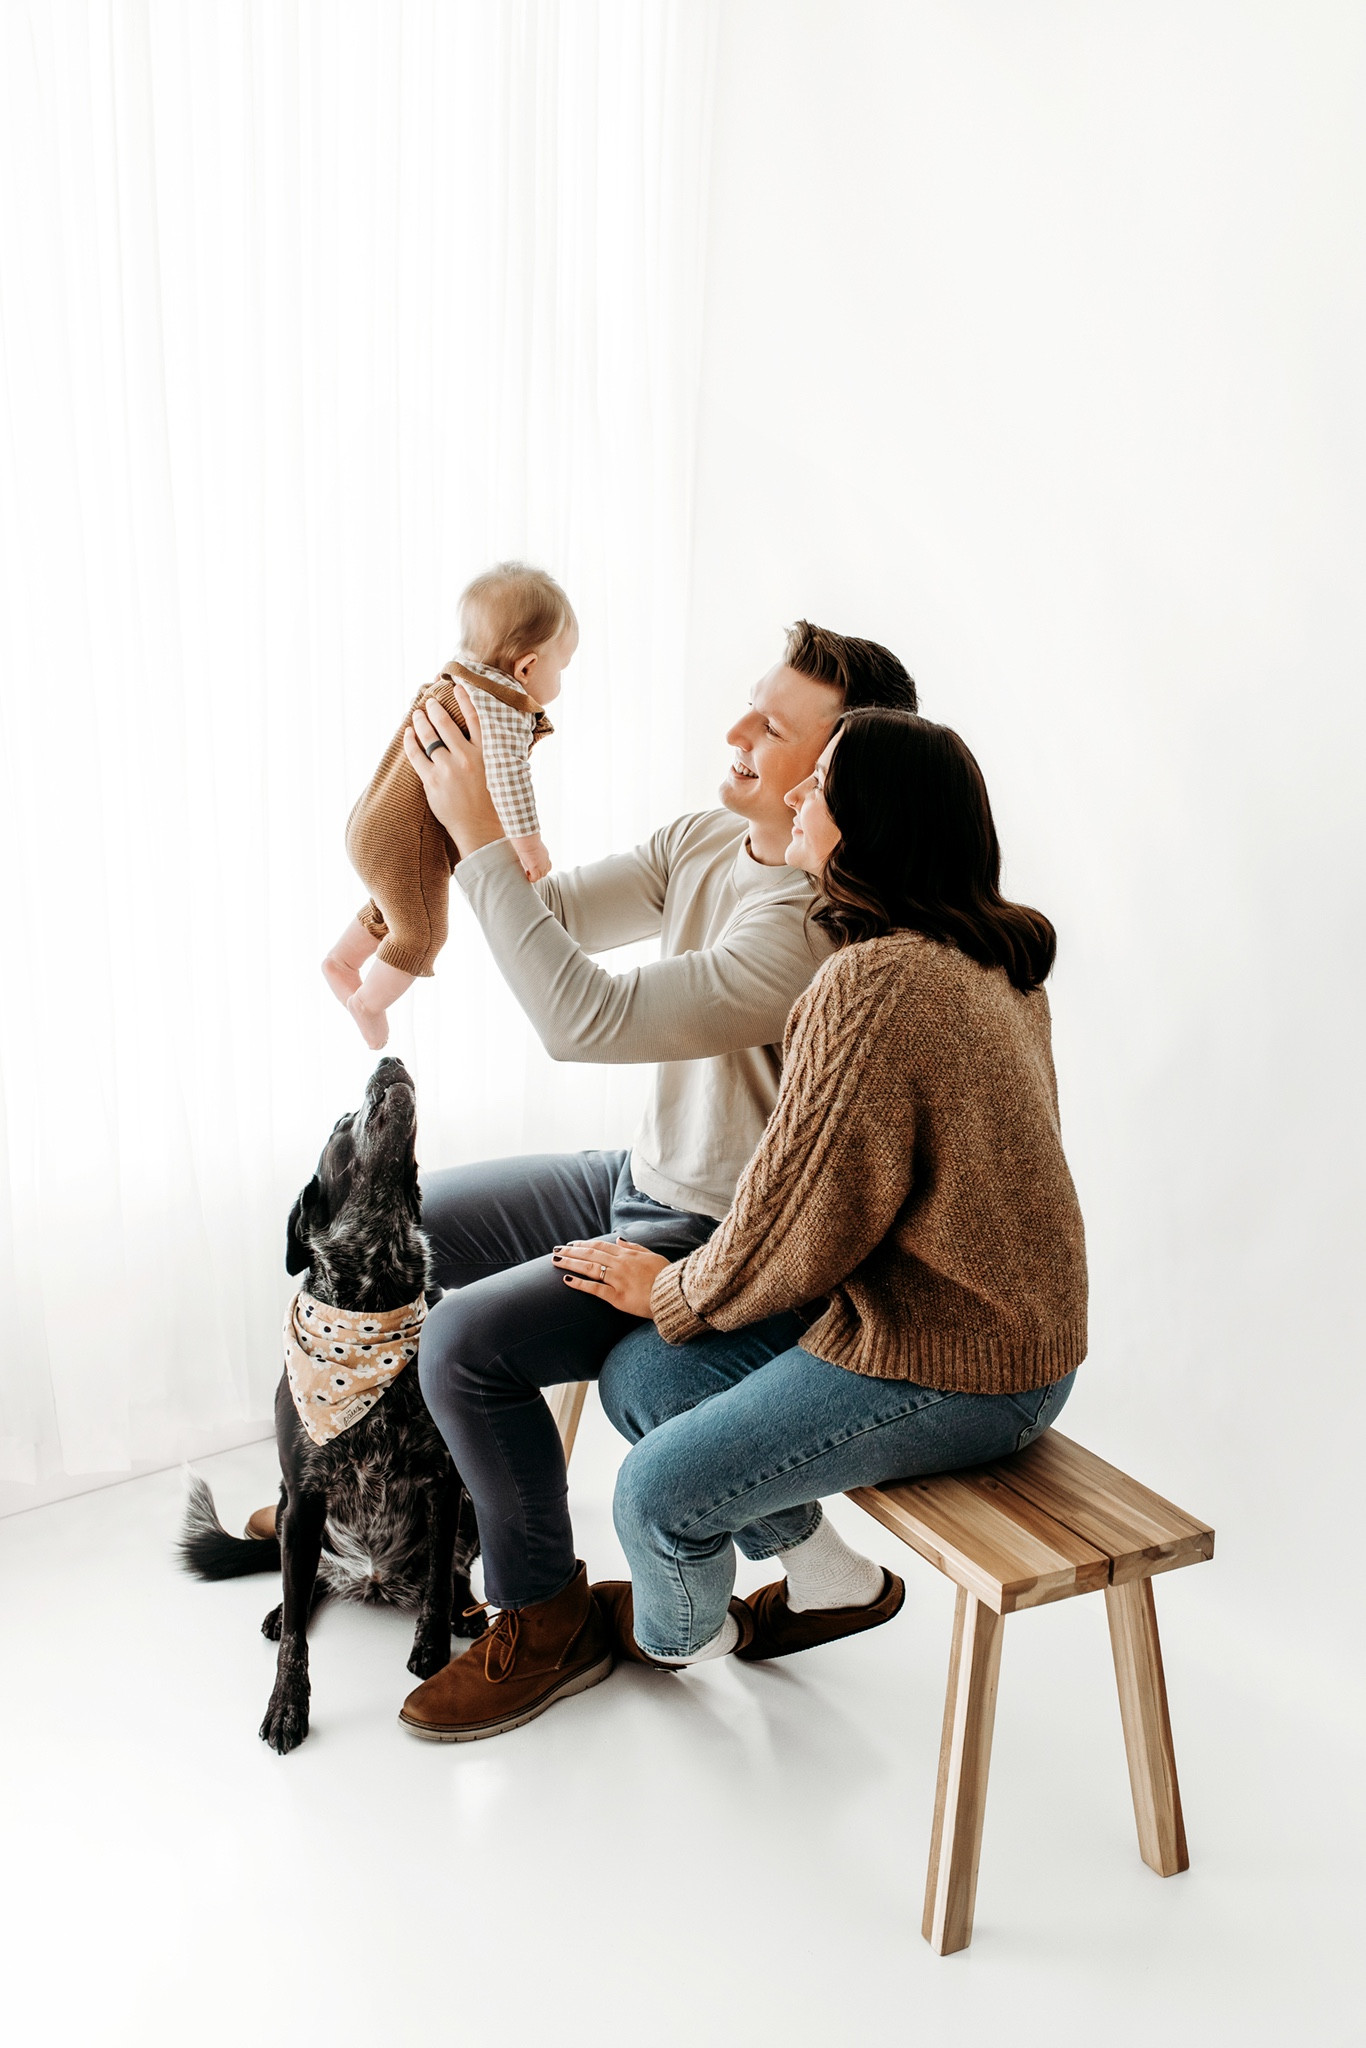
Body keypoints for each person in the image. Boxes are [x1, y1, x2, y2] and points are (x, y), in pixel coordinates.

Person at [247, 626, 919, 1684]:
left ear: (833, 771)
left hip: (713, 1229)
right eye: (750, 703)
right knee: (394, 1229)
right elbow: (544, 918)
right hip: (637, 1174)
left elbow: (582, 1018)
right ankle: (337, 1477)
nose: (737, 731)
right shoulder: (707, 839)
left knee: (460, 1342)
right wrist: (448, 824)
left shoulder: (807, 926)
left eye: (773, 727)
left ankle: (542, 1611)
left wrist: (477, 830)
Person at [399, 705, 1086, 1732]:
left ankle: (676, 1634)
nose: (798, 788)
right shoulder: (980, 954)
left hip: (961, 1362)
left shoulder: (875, 979)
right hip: (954, 1325)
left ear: (874, 823)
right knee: (645, 1378)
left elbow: (806, 1213)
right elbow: (831, 1206)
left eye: (823, 782)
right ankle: (831, 1580)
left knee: (650, 1496)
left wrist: (670, 1288)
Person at [322, 561, 576, 1049]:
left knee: (397, 904)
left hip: (370, 823)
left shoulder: (453, 680)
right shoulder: (503, 707)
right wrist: (530, 846)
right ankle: (367, 1003)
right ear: (526, 667)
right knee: (422, 935)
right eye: (561, 668)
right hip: (403, 837)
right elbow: (510, 779)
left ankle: (342, 961)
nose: (561, 680)